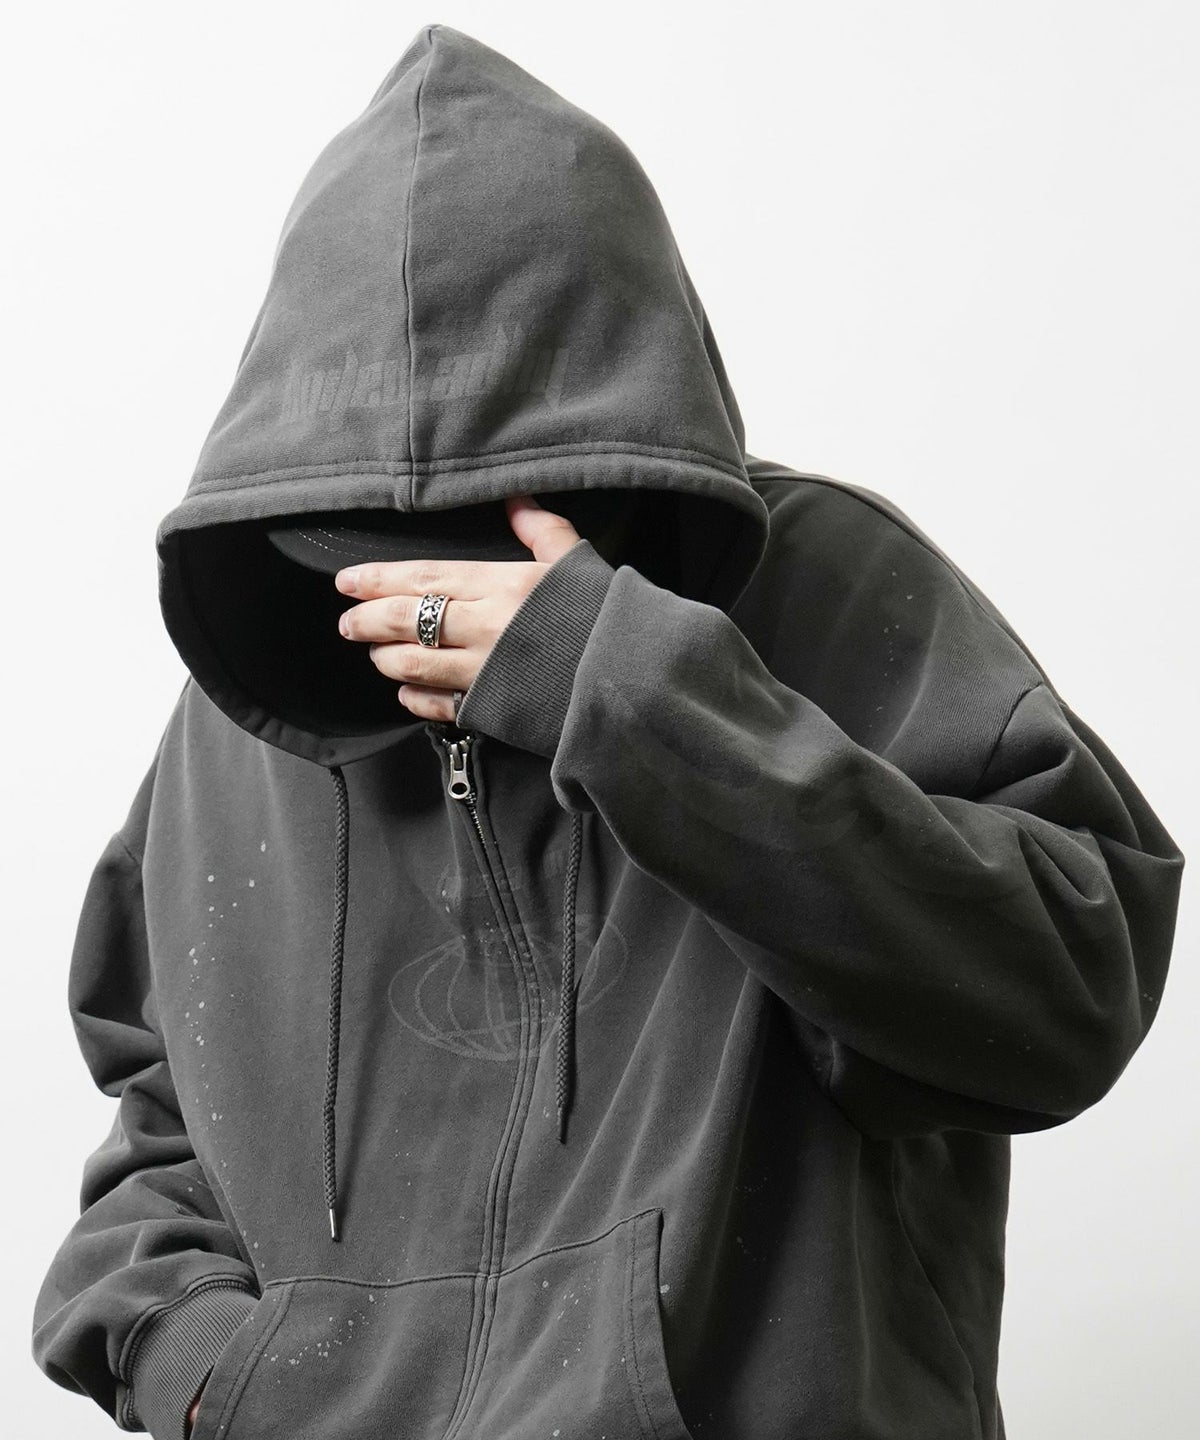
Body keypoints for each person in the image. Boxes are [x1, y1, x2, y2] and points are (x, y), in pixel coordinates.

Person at [31, 23, 1183, 1440]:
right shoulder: (250, 697)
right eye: (373, 543)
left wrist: (621, 687)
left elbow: (1059, 1001)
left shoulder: (827, 592)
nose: (426, 588)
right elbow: (157, 1117)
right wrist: (209, 1364)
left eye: (493, 523)